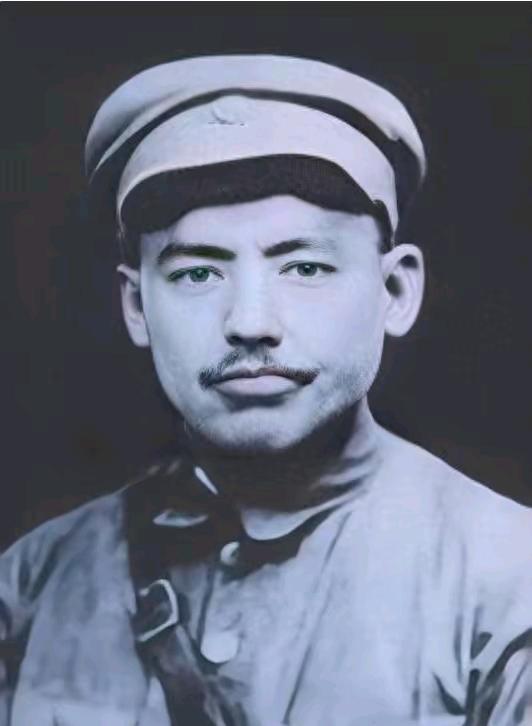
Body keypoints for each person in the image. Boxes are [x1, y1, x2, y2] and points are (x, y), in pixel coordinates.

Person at [0, 54, 530, 726]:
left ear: (395, 291)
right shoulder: (32, 582)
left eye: (304, 267)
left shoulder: (510, 579)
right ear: (136, 306)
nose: (250, 322)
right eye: (197, 274)